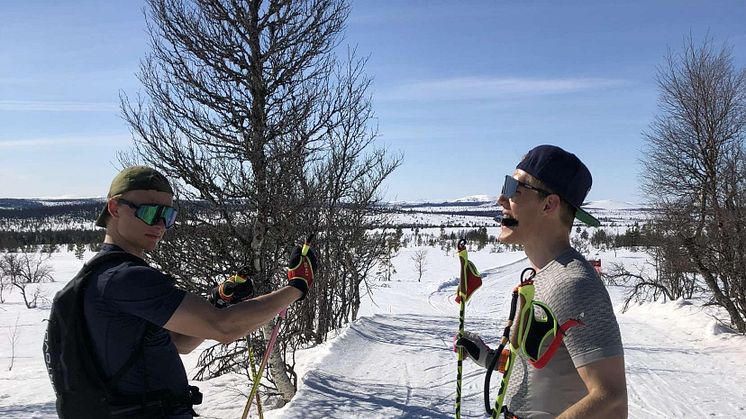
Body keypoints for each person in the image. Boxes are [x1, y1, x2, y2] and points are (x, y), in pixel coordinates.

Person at [85, 165, 316, 418]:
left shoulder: (103, 275)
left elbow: (179, 343)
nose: (161, 224)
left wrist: (218, 301)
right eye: (151, 212)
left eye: (169, 216)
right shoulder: (125, 278)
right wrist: (297, 287)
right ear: (115, 208)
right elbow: (224, 328)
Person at [456, 145, 627, 418]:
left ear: (549, 204)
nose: (502, 198)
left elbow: (611, 397)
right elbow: (542, 366)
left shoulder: (575, 283)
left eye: (514, 188)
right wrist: (487, 357)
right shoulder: (540, 276)